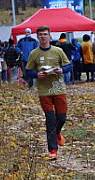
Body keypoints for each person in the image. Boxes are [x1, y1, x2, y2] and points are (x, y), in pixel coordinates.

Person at [24, 25, 72, 159]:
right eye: (40, 35)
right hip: (44, 91)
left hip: (58, 88)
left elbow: (68, 66)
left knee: (61, 118)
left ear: (50, 36)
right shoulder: (34, 53)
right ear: (37, 37)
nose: (43, 37)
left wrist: (62, 70)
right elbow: (27, 71)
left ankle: (57, 132)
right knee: (50, 119)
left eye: (45, 34)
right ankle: (53, 150)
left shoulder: (58, 51)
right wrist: (36, 75)